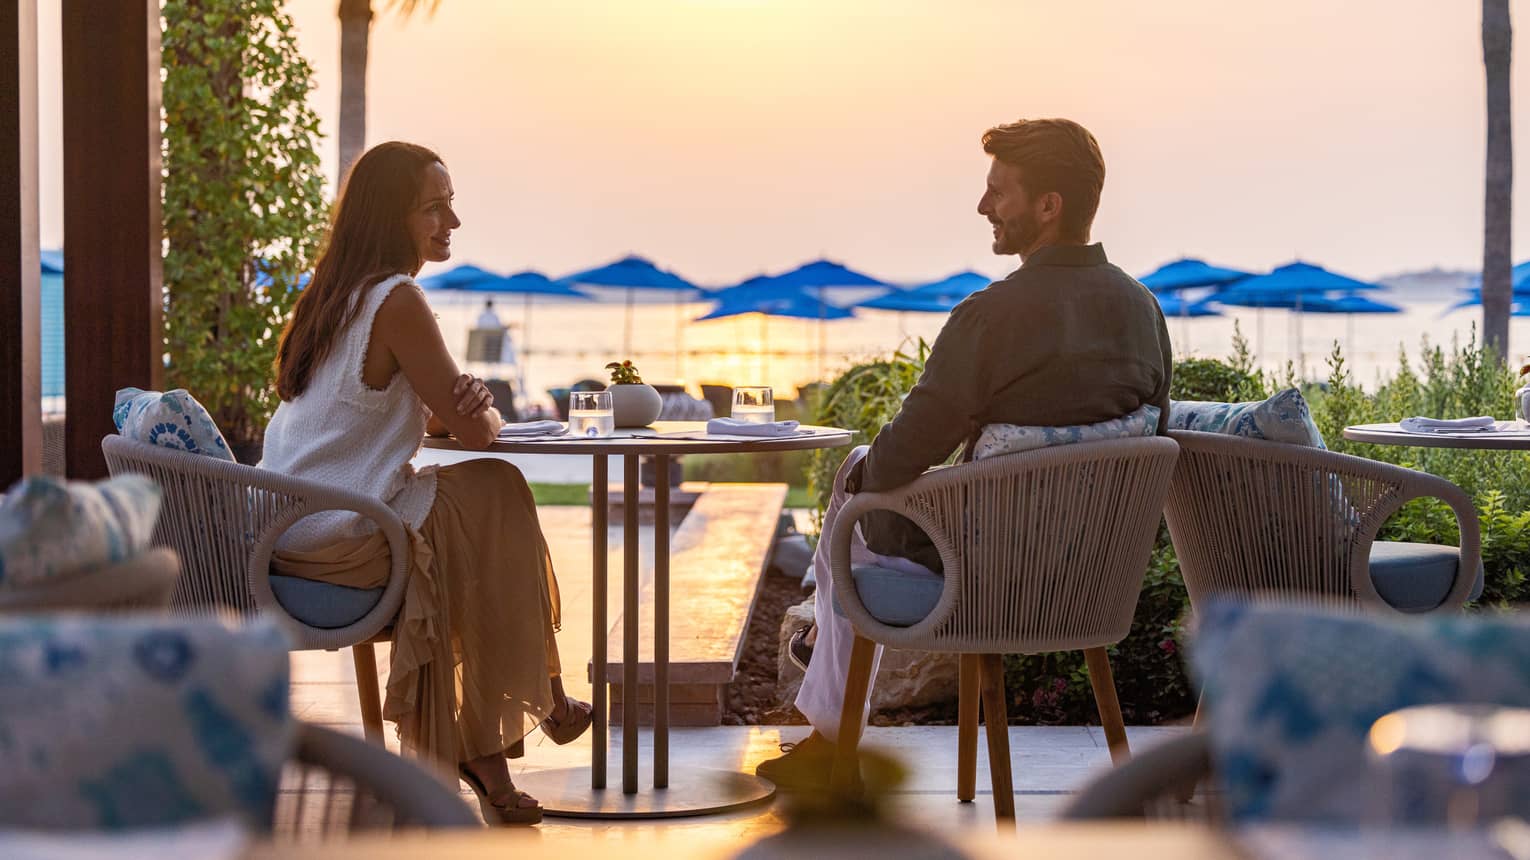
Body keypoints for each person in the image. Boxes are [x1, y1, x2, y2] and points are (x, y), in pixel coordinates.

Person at [759, 118, 1173, 790]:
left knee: (857, 485)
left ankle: (831, 733)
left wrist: (865, 474)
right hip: (1091, 579)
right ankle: (822, 644)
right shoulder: (1143, 312)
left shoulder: (990, 316)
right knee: (856, 503)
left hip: (982, 576)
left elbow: (899, 464)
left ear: (1048, 205)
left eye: (998, 191)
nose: (983, 207)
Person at [260, 141, 590, 826]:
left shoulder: (329, 300)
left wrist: (453, 400)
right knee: (496, 491)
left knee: (471, 515)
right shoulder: (398, 300)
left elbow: (398, 409)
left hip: (291, 528)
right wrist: (477, 403)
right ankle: (538, 701)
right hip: (344, 537)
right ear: (392, 219)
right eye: (434, 208)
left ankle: (493, 750)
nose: (452, 223)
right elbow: (478, 433)